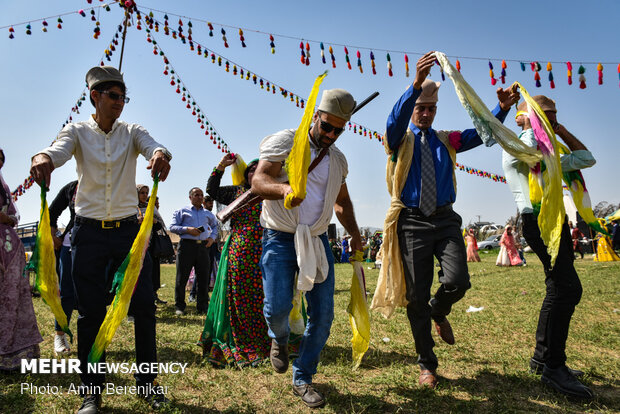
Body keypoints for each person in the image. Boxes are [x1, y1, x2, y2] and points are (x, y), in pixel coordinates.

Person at [29, 66, 172, 413]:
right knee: (90, 314)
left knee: (144, 309)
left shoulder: (132, 131)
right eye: (114, 96)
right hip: (88, 234)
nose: (120, 103)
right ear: (95, 96)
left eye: (124, 97)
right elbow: (56, 151)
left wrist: (159, 156)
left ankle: (147, 383)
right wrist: (42, 159)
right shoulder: (77, 130)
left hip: (128, 235)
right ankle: (91, 393)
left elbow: (154, 146)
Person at [381, 51, 520, 388]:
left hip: (444, 220)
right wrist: (415, 85)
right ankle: (427, 364)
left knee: (457, 280)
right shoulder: (400, 140)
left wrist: (500, 109)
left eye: (431, 109)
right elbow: (392, 123)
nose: (426, 114)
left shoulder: (447, 140)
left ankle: (438, 309)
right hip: (412, 222)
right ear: (413, 108)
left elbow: (480, 135)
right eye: (421, 108)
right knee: (415, 296)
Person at [252, 88, 363, 408]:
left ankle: (303, 376)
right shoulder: (286, 142)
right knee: (276, 311)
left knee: (324, 315)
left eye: (338, 130)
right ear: (314, 116)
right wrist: (284, 188)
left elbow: (342, 203)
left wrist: (354, 233)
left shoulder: (338, 160)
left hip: (316, 241)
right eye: (326, 126)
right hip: (279, 237)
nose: (331, 134)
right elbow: (258, 182)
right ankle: (279, 338)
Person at [502, 95, 595, 399]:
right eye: (545, 115)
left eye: (554, 116)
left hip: (556, 219)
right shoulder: (518, 147)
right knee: (568, 289)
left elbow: (585, 158)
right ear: (524, 118)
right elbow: (529, 150)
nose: (550, 121)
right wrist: (531, 121)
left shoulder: (551, 152)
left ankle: (542, 359)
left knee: (558, 286)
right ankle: (555, 367)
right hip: (537, 220)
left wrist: (561, 130)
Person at [199, 154, 272, 367]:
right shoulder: (237, 192)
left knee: (264, 294)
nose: (254, 173)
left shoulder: (271, 191)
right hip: (241, 249)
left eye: (259, 169)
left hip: (267, 248)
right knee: (241, 293)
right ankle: (244, 338)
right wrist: (220, 166)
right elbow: (212, 191)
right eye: (250, 169)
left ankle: (266, 339)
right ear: (245, 174)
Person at [0, 148, 43, 372]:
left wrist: (7, 218)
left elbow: (14, 215)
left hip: (10, 248)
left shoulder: (4, 188)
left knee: (13, 296)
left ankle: (13, 352)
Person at [169, 187, 218, 316]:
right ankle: (180, 306)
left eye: (201, 195)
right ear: (190, 197)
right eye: (196, 195)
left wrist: (212, 238)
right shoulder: (182, 211)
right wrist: (187, 229)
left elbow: (215, 226)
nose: (200, 197)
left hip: (203, 247)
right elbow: (172, 227)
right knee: (182, 277)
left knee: (203, 278)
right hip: (186, 246)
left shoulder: (207, 213)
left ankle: (202, 306)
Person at [48, 179, 78, 354]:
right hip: (70, 246)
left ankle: (95, 337)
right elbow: (52, 211)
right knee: (67, 292)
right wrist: (54, 237)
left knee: (95, 292)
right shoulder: (72, 187)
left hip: (99, 245)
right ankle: (60, 334)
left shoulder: (111, 183)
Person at [136, 186, 166, 305]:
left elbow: (160, 226)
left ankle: (153, 295)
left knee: (153, 272)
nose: (144, 195)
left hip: (151, 245)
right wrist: (137, 220)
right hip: (135, 245)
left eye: (146, 193)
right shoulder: (130, 207)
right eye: (141, 193)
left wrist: (154, 221)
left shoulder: (151, 208)